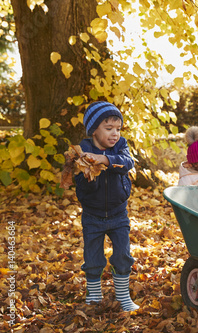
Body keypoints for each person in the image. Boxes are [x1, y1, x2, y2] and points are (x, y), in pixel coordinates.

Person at [76, 101, 140, 312]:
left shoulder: (121, 146)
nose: (115, 133)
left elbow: (127, 163)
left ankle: (122, 296)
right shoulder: (83, 149)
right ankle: (94, 294)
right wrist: (88, 170)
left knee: (122, 255)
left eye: (118, 128)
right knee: (93, 257)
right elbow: (79, 182)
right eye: (109, 128)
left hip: (118, 213)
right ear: (94, 130)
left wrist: (104, 159)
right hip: (92, 215)